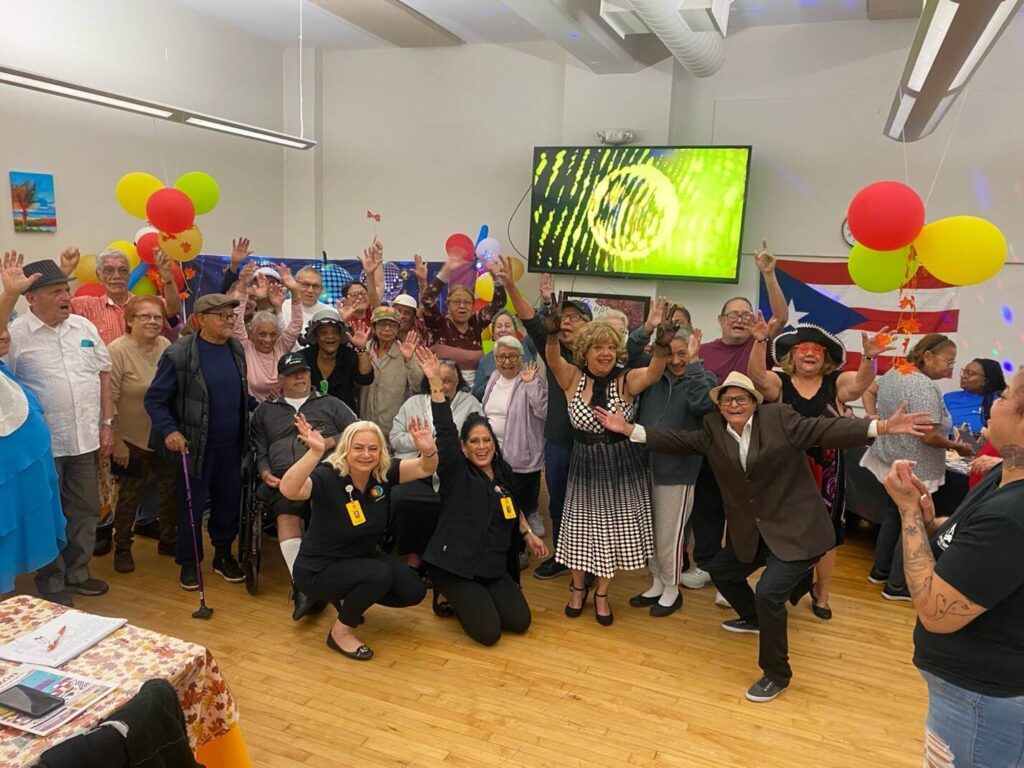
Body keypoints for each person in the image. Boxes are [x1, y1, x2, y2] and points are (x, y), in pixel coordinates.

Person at [599, 370, 933, 701]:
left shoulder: (779, 420)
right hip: (755, 529)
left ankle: (777, 673)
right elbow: (680, 441)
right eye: (727, 399)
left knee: (769, 593)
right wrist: (630, 429)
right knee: (722, 569)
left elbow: (826, 429)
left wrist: (884, 426)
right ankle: (755, 618)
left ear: (755, 402)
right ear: (719, 406)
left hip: (796, 528)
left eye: (741, 398)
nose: (734, 404)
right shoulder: (713, 429)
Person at [881, 369, 1024, 765]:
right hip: (969, 690)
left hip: (982, 698)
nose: (995, 401)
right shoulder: (1008, 469)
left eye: (1007, 395)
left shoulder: (1014, 515)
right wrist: (930, 521)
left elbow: (935, 611)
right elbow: (968, 540)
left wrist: (908, 514)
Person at [545, 301, 678, 626]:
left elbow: (654, 372)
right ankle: (577, 589)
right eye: (597, 347)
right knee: (578, 533)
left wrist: (661, 345)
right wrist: (551, 334)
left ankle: (602, 593)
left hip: (621, 466)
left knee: (611, 536)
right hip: (584, 465)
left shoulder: (626, 379)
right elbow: (552, 357)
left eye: (610, 347)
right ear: (584, 351)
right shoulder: (572, 377)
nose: (605, 353)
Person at [747, 320, 891, 619]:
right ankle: (780, 585)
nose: (810, 354)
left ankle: (822, 593)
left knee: (826, 533)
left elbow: (860, 384)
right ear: (792, 355)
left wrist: (869, 358)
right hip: (785, 469)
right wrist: (760, 341)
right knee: (782, 527)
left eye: (817, 349)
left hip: (827, 471)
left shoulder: (835, 382)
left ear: (825, 357)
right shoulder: (780, 383)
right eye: (803, 348)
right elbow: (757, 379)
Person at [0, 253, 113, 606]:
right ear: (31, 298)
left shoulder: (84, 328)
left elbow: (103, 375)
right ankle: (51, 581)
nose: (65, 296)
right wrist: (7, 296)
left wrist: (107, 423)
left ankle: (78, 572)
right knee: (47, 512)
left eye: (66, 289)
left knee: (84, 509)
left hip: (84, 439)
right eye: (54, 291)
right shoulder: (16, 335)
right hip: (42, 446)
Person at [279, 415, 439, 660]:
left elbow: (425, 468)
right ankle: (340, 633)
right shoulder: (328, 475)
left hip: (360, 556)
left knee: (413, 589)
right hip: (319, 567)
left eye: (373, 449)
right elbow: (288, 489)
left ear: (380, 451)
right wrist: (314, 452)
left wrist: (428, 451)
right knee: (378, 575)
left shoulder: (383, 473)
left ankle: (349, 595)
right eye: (359, 448)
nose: (366, 455)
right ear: (346, 450)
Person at [417, 348, 548, 646]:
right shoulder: (457, 472)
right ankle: (452, 593)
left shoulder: (502, 472)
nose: (481, 446)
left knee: (519, 622)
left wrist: (528, 534)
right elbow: (446, 431)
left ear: (494, 443)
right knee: (489, 634)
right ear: (464, 448)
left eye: (486, 440)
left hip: (490, 566)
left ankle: (479, 596)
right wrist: (436, 384)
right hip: (456, 567)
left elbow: (511, 506)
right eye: (473, 441)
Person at [686, 242, 789, 593]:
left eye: (747, 315)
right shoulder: (704, 351)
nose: (741, 320)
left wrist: (768, 273)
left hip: (751, 448)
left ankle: (734, 575)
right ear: (720, 321)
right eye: (734, 315)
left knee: (744, 514)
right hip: (711, 447)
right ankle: (708, 566)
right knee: (708, 509)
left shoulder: (758, 344)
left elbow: (781, 316)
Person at [145, 292, 254, 590]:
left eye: (231, 315)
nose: (229, 321)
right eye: (222, 316)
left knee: (229, 502)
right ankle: (189, 563)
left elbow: (239, 394)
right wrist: (169, 430)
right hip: (194, 446)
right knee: (191, 508)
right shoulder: (180, 353)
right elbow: (155, 400)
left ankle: (222, 555)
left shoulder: (235, 349)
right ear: (200, 319)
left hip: (231, 445)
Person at [861, 334, 974, 599]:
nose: (951, 368)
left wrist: (874, 416)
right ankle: (897, 586)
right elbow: (928, 436)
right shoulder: (923, 386)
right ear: (928, 357)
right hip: (916, 466)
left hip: (891, 458)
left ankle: (880, 571)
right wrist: (957, 447)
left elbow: (869, 390)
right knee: (911, 522)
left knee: (893, 515)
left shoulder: (896, 371)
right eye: (949, 361)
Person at [502, 264, 592, 580]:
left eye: (574, 319)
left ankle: (590, 563)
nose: (566, 323)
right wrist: (512, 286)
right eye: (562, 318)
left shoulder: (599, 355)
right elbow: (529, 318)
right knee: (558, 506)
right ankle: (564, 556)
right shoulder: (551, 349)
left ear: (589, 326)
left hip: (590, 447)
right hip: (557, 444)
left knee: (587, 509)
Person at [251, 352, 356, 620]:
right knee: (286, 509)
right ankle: (305, 585)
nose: (300, 377)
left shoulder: (331, 404)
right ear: (281, 379)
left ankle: (325, 581)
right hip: (283, 476)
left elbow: (359, 430)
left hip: (328, 474)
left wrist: (330, 442)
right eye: (293, 373)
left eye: (304, 372)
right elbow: (258, 448)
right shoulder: (266, 411)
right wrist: (263, 472)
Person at [629, 326, 715, 617]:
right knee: (651, 533)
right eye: (671, 354)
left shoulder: (703, 377)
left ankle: (672, 588)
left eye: (683, 353)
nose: (677, 360)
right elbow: (629, 355)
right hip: (645, 468)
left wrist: (694, 364)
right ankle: (656, 581)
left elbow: (703, 404)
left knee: (669, 535)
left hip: (679, 471)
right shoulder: (653, 378)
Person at [389, 359, 483, 582]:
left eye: (448, 381)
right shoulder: (413, 403)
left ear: (458, 381)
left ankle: (442, 558)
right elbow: (395, 438)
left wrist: (443, 446)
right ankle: (415, 557)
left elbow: (477, 437)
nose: (443, 386)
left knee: (452, 500)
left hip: (452, 472)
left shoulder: (469, 403)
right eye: (438, 380)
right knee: (404, 498)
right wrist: (421, 442)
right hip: (415, 467)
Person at [107, 296, 177, 573]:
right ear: (129, 320)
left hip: (162, 435)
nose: (152, 321)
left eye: (157, 317)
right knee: (129, 497)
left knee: (170, 490)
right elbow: (108, 399)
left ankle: (169, 538)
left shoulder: (166, 346)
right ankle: (122, 546)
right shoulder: (117, 351)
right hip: (130, 438)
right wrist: (116, 440)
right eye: (144, 316)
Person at [0, 309, 66, 595]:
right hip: (8, 473)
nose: (4, 334)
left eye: (5, 328)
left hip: (29, 472)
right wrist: (12, 292)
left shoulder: (5, 372)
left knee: (37, 521)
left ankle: (49, 585)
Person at [480, 336, 548, 540]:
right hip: (493, 452)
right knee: (500, 495)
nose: (507, 362)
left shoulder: (531, 379)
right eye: (502, 357)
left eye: (512, 356)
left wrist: (530, 385)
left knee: (522, 492)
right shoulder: (493, 377)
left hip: (521, 450)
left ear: (521, 357)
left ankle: (529, 517)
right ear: (495, 359)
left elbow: (543, 411)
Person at [420, 251, 507, 389]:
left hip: (476, 392)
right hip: (444, 390)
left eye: (467, 302)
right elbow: (427, 300)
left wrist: (495, 277)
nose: (462, 306)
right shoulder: (439, 325)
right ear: (448, 305)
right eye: (456, 302)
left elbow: (499, 302)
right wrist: (444, 273)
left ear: (473, 306)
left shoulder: (476, 323)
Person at [229, 262, 304, 401]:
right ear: (252, 334)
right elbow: (236, 318)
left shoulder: (281, 346)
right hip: (251, 413)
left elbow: (296, 325)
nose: (268, 339)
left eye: (272, 334)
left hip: (280, 412)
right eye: (262, 334)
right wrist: (244, 285)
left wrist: (294, 290)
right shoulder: (245, 347)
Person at [359, 306, 423, 437]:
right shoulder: (363, 348)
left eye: (392, 325)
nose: (387, 329)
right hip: (365, 425)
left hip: (394, 428)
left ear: (398, 328)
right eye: (382, 324)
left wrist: (410, 360)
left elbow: (418, 385)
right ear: (374, 327)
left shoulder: (406, 352)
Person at [299, 307, 373, 414]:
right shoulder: (303, 357)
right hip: (310, 418)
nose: (330, 336)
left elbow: (366, 379)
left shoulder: (349, 355)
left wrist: (362, 348)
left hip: (345, 418)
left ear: (341, 335)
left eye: (335, 332)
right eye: (324, 333)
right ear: (316, 336)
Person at [472, 310, 538, 402]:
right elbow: (476, 394)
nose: (503, 330)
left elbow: (537, 325)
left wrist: (546, 302)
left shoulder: (527, 345)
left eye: (507, 326)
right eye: (499, 326)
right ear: (493, 333)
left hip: (527, 406)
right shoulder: (484, 360)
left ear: (515, 331)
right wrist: (495, 378)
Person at [943, 358, 1006, 435]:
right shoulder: (949, 398)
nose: (963, 376)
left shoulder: (999, 402)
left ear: (986, 381)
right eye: (964, 372)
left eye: (970, 374)